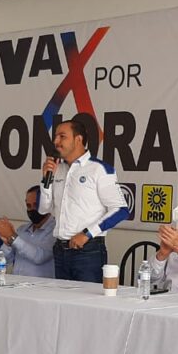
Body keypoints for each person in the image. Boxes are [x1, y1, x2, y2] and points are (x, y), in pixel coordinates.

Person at [39, 116, 128, 283]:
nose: (56, 141)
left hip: (88, 250)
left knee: (88, 298)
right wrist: (46, 180)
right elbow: (43, 209)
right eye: (55, 137)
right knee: (62, 298)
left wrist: (87, 234)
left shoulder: (99, 169)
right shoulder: (57, 169)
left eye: (62, 136)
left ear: (78, 139)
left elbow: (121, 210)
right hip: (60, 249)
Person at [0, 186, 56, 278]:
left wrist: (12, 237)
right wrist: (8, 243)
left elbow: (39, 257)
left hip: (41, 285)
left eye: (36, 204)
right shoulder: (22, 230)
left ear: (46, 204)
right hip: (16, 284)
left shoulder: (56, 230)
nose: (32, 209)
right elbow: (2, 262)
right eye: (28, 206)